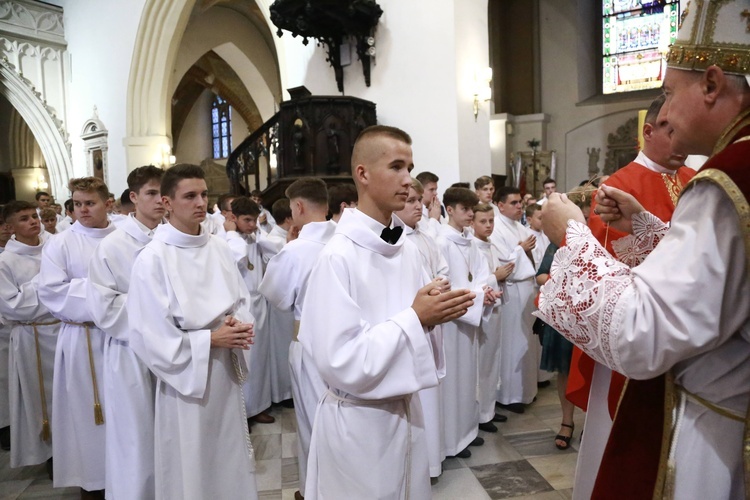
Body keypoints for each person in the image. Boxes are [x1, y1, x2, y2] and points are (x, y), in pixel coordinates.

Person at [538, 2, 750, 497]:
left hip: (720, 429)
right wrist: (649, 228)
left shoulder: (728, 180)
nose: (666, 109)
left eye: (670, 92)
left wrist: (571, 234)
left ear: (713, 84)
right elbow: (726, 281)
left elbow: (643, 333)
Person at [298, 125, 475, 499]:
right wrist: (416, 318)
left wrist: (436, 312)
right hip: (360, 424)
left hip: (407, 412)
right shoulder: (337, 256)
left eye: (410, 168)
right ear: (362, 174)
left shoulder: (406, 248)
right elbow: (340, 360)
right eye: (396, 167)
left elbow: (418, 328)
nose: (408, 181)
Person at [565, 94, 696, 499]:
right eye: (671, 131)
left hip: (689, 335)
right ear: (649, 130)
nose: (682, 143)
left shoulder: (696, 180)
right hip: (636, 330)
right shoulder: (618, 187)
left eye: (685, 131)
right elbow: (608, 270)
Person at [127, 164, 258, 499]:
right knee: (193, 463)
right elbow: (148, 334)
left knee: (227, 456)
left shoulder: (217, 247)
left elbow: (241, 298)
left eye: (203, 194)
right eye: (190, 196)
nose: (200, 202)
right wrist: (209, 340)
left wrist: (236, 324)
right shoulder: (153, 259)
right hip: (187, 380)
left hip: (224, 372)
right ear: (167, 202)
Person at [86, 165, 165, 500]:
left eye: (164, 193)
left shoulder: (173, 238)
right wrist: (159, 311)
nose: (160, 200)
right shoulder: (112, 246)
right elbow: (104, 306)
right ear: (133, 198)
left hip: (174, 353)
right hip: (130, 352)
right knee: (136, 439)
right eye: (151, 193)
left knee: (167, 436)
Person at [38, 177, 117, 498]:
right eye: (77, 204)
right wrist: (105, 294)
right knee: (89, 416)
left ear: (107, 203)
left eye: (90, 203)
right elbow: (52, 292)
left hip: (125, 340)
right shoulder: (61, 243)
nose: (82, 210)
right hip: (83, 339)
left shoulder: (124, 236)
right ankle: (94, 482)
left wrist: (92, 287)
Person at [258, 177, 336, 499]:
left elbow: (275, 296)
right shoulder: (346, 240)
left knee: (311, 424)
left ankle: (313, 491)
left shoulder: (297, 250)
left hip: (309, 347)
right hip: (347, 346)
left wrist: (290, 248)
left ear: (299, 207)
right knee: (339, 423)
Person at [393, 177, 451, 477]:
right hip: (413, 324)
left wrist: (440, 284)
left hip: (432, 321)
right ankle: (423, 465)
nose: (419, 206)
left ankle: (434, 456)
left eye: (420, 200)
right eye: (411, 201)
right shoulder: (393, 239)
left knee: (433, 396)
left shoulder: (425, 236)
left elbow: (442, 270)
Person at [437, 187, 497, 459]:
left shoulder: (470, 241)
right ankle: (452, 440)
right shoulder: (441, 242)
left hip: (469, 319)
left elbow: (482, 275)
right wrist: (479, 297)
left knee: (469, 377)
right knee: (453, 382)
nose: (471, 214)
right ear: (449, 210)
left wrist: (487, 292)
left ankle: (467, 432)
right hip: (451, 322)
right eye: (465, 209)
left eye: (472, 209)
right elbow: (442, 287)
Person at [0, 201, 57, 472]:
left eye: (33, 216)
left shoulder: (54, 249)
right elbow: (14, 307)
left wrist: (50, 293)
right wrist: (48, 286)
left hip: (62, 330)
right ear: (10, 227)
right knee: (40, 399)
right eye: (24, 219)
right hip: (31, 336)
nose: (33, 221)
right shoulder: (5, 261)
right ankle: (50, 454)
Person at [224, 196, 276, 425]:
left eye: (255, 220)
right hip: (241, 308)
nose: (253, 224)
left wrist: (256, 234)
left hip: (260, 305)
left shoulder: (253, 237)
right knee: (246, 360)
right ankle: (242, 413)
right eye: (247, 220)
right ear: (233, 218)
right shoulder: (228, 240)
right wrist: (232, 233)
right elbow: (235, 258)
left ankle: (259, 405)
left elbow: (274, 253)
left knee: (260, 360)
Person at [492, 186, 538, 413]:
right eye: (514, 203)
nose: (519, 206)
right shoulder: (495, 228)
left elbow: (534, 258)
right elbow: (503, 263)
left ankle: (527, 391)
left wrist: (527, 251)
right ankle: (510, 395)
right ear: (500, 205)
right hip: (511, 290)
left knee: (527, 341)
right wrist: (521, 249)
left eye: (520, 202)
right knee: (512, 343)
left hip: (527, 289)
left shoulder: (521, 227)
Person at [472, 202, 514, 433]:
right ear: (472, 222)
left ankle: (489, 408)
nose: (488, 225)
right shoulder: (473, 246)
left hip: (494, 308)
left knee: (493, 360)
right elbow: (473, 283)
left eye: (491, 221)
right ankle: (480, 414)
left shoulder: (490, 245)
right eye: (483, 221)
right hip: (481, 312)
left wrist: (500, 278)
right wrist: (494, 278)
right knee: (483, 363)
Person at [0, 212, 11, 451]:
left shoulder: (48, 248)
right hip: (14, 332)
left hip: (51, 328)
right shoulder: (5, 261)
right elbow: (14, 304)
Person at [415, 171, 443, 236]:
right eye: (431, 189)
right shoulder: (417, 212)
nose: (435, 193)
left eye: (436, 189)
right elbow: (428, 240)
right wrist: (434, 219)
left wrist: (438, 220)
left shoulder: (436, 209)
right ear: (420, 190)